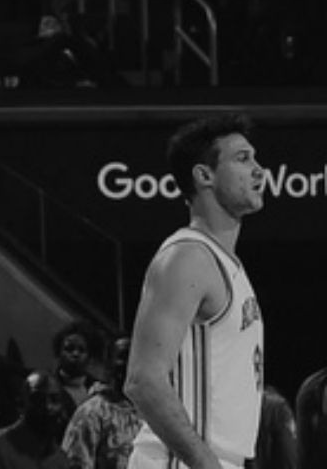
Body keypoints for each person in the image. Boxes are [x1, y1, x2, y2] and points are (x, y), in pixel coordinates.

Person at [124, 115, 266, 469]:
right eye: (243, 159)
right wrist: (207, 464)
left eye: (255, 158)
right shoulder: (188, 257)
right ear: (204, 175)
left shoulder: (226, 263)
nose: (259, 169)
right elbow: (143, 380)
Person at [62, 338, 143, 469]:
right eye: (124, 357)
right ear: (109, 364)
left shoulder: (152, 414)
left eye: (136, 357)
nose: (130, 364)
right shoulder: (91, 413)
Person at [0, 372, 75, 469]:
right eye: (38, 399)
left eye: (55, 399)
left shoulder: (61, 461)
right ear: (21, 404)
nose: (48, 407)